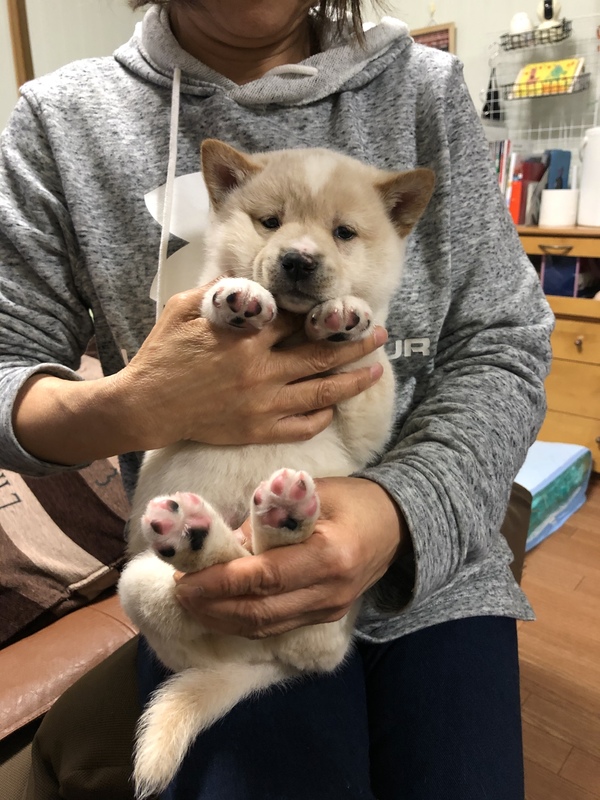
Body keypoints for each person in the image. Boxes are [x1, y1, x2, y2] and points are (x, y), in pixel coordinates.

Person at [0, 1, 554, 798]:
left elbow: (506, 344)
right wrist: (137, 405)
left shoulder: (428, 91)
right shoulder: (60, 121)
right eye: (271, 225)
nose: (299, 251)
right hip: (211, 589)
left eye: (341, 234)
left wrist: (395, 512)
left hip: (436, 577)